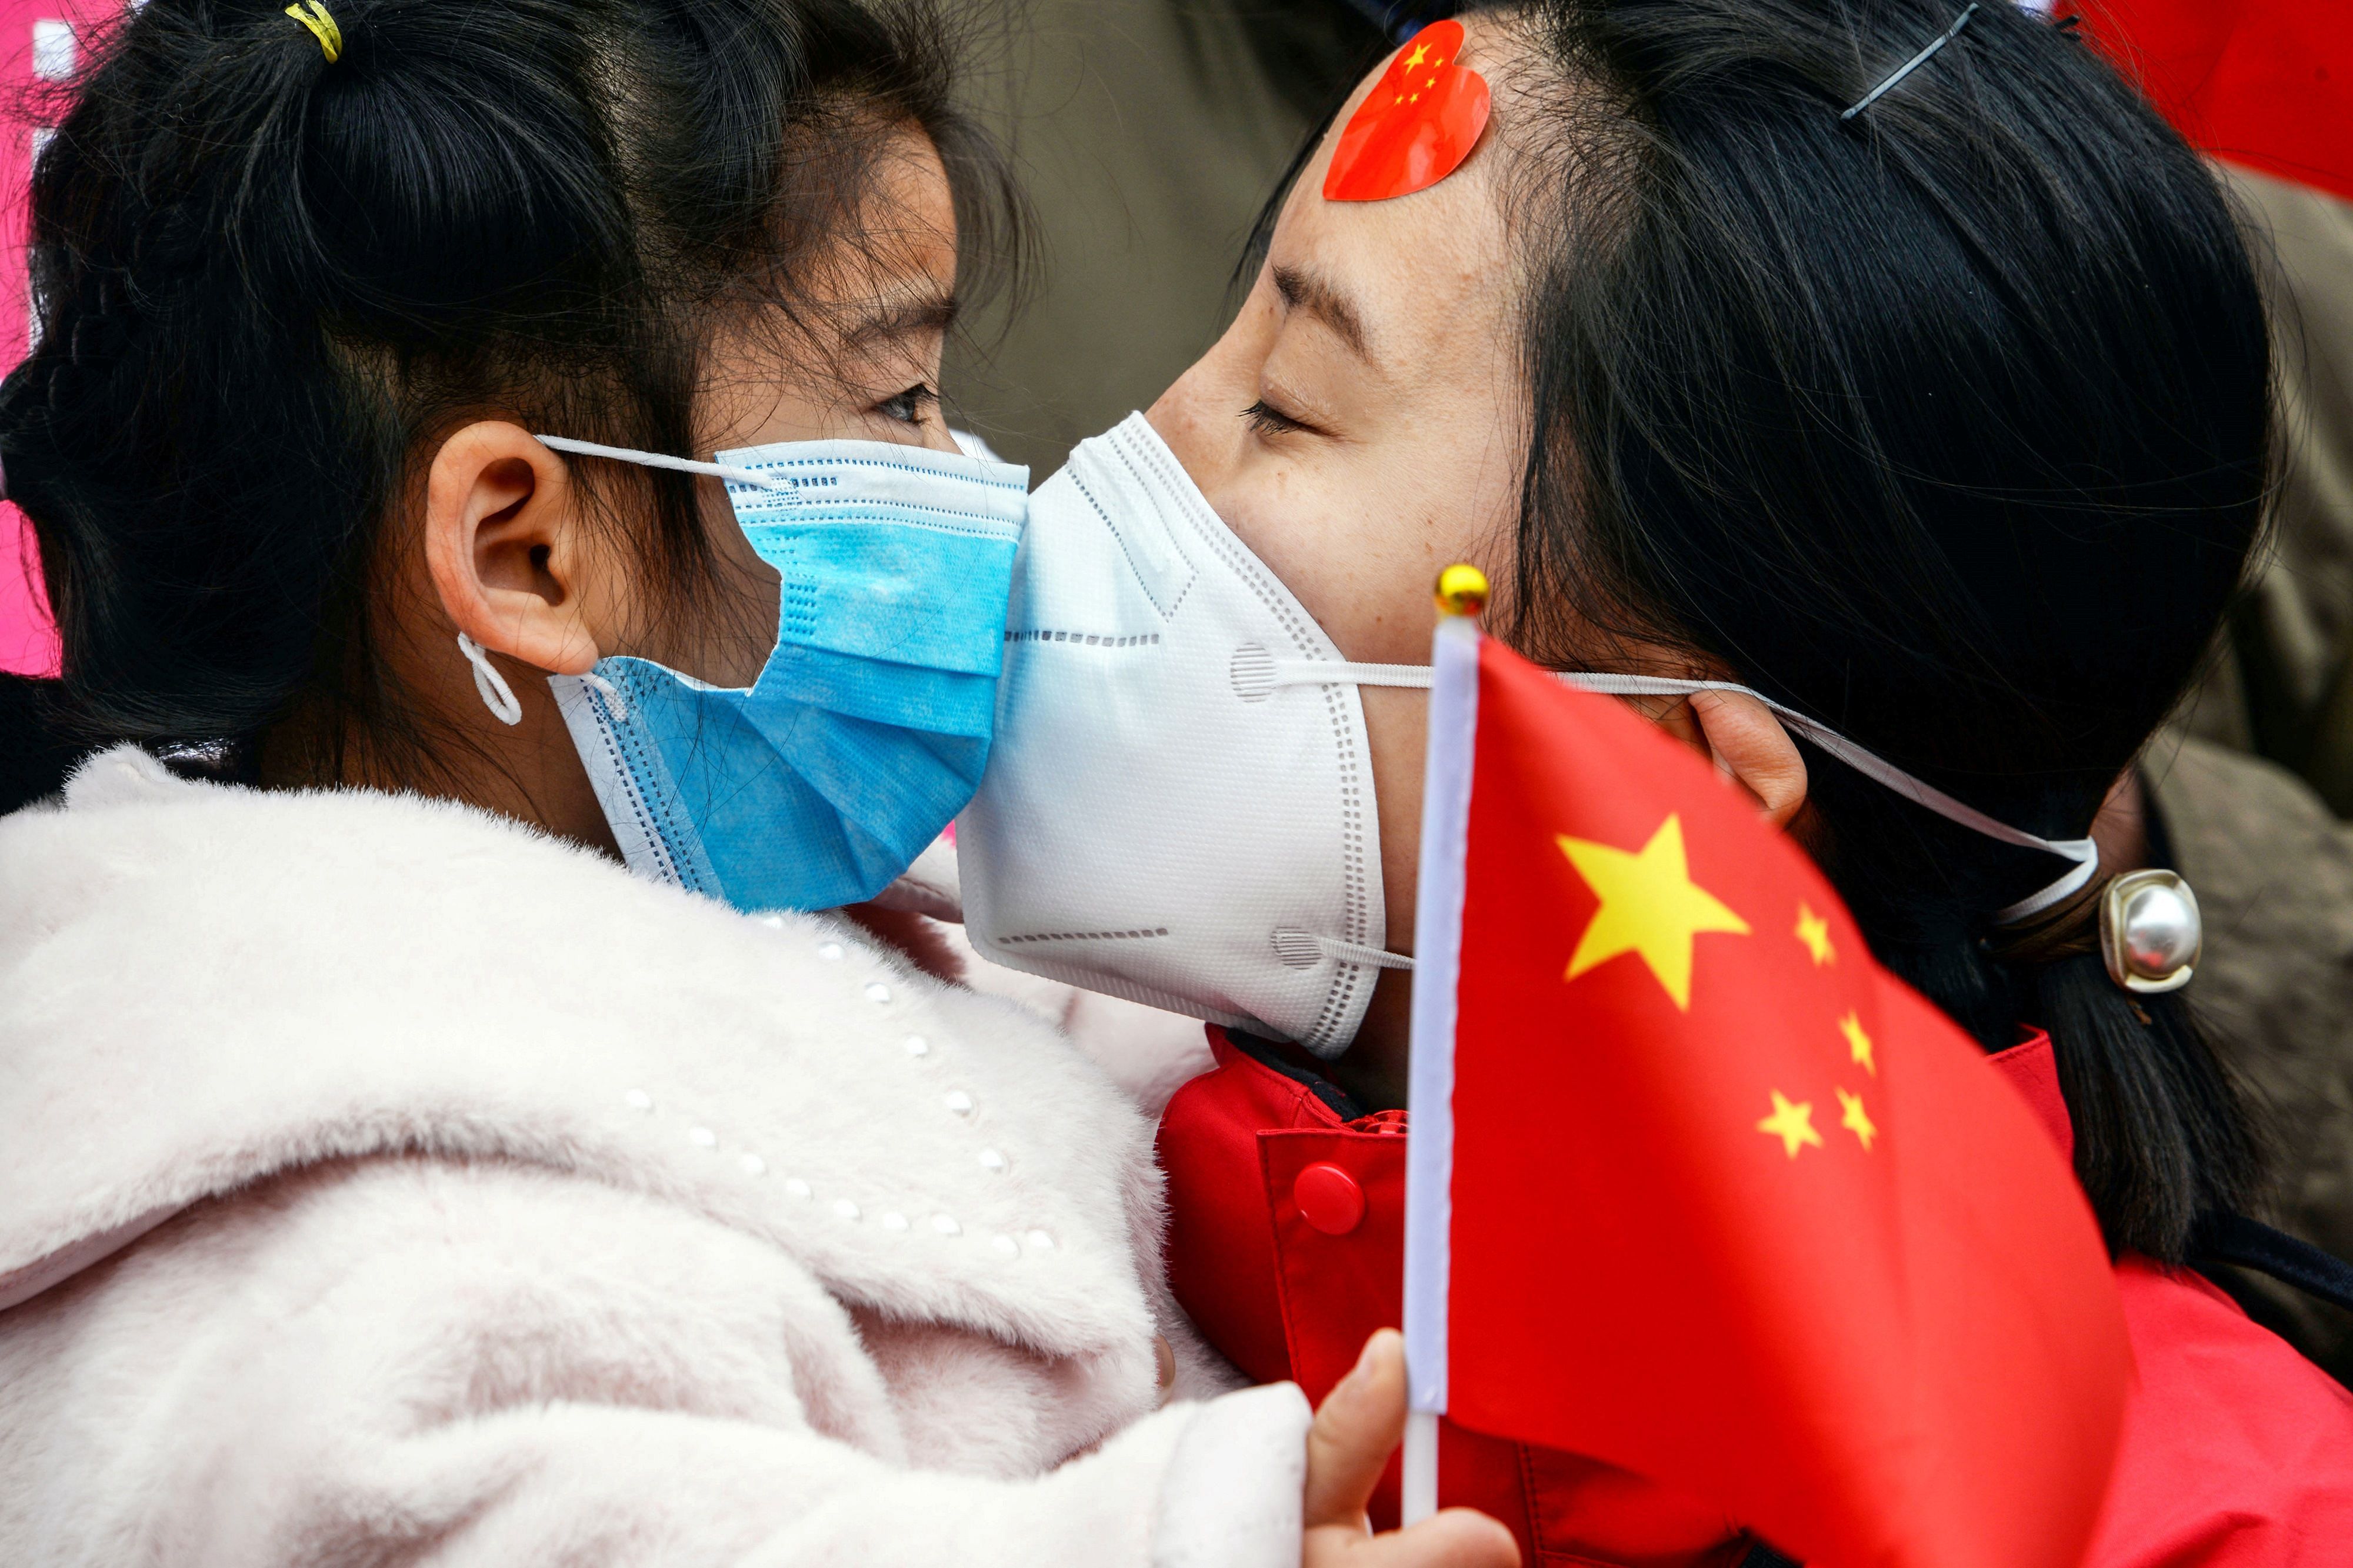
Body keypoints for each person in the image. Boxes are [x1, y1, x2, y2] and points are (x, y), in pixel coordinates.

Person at [0, 4, 1521, 1566]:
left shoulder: (759, 893)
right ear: (528, 549)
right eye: (895, 405)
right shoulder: (371, 1269)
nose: (979, 480)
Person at [951, 1, 2353, 1562]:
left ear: (1670, 763)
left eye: (1287, 406)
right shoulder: (988, 1284)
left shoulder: (2229, 1528)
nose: (1137, 452)